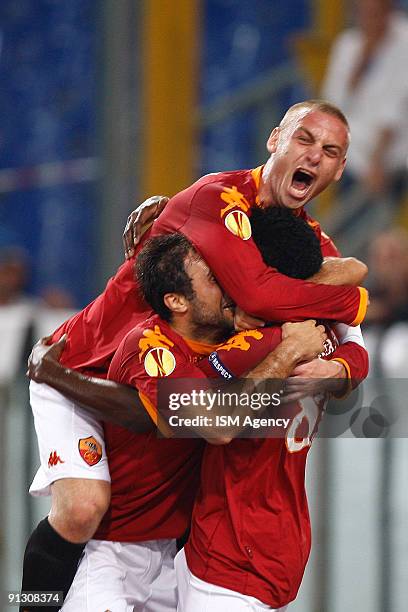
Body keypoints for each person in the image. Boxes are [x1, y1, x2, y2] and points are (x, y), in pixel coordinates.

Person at [21, 100, 369, 609]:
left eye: (330, 151)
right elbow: (259, 295)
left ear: (340, 169)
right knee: (82, 509)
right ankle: (28, 604)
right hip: (79, 370)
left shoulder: (303, 241)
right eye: (305, 140)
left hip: (163, 463)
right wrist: (350, 298)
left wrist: (338, 365)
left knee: (178, 472)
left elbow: (348, 333)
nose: (314, 157)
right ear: (275, 140)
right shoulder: (218, 197)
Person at [322, 0, 408, 202]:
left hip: (392, 161)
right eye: (363, 13)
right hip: (352, 159)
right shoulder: (348, 44)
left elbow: (396, 108)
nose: (369, 20)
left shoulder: (404, 42)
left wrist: (377, 162)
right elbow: (332, 101)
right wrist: (358, 70)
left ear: (389, 10)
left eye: (375, 12)